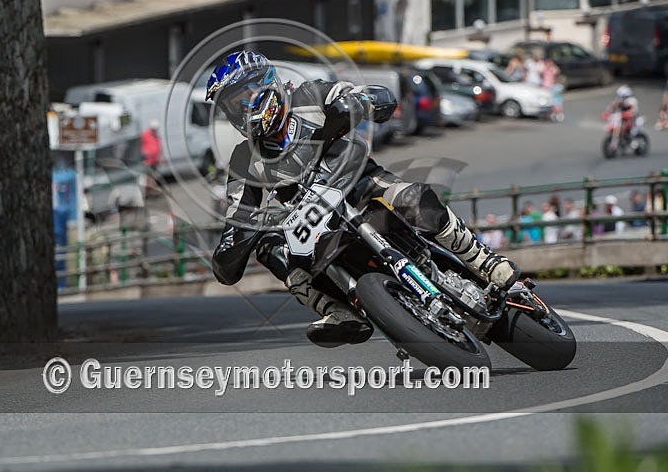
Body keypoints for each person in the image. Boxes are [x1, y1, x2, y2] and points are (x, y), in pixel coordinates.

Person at [206, 50, 521, 347]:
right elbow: (238, 214)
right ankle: (336, 310)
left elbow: (373, 96)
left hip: (361, 184)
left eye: (240, 99)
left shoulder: (310, 96)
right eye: (230, 107)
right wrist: (229, 252)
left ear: (263, 84)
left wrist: (359, 103)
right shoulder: (243, 160)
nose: (238, 111)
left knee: (410, 196)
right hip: (316, 225)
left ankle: (484, 261)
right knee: (269, 247)